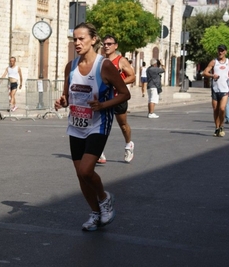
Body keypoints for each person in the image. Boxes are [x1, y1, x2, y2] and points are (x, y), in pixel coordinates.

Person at [54, 22, 130, 231]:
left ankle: (105, 198)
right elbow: (67, 96)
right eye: (74, 39)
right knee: (80, 174)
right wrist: (61, 102)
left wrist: (103, 105)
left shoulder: (104, 65)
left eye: (81, 39)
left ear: (93, 40)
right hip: (76, 124)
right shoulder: (70, 66)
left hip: (98, 123)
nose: (77, 43)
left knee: (87, 171)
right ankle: (95, 213)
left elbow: (125, 93)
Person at [97, 34, 135, 164]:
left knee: (123, 125)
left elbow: (132, 77)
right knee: (99, 125)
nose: (106, 46)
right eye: (105, 44)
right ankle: (99, 152)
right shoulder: (101, 60)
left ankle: (129, 144)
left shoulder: (121, 60)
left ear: (115, 46)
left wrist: (119, 82)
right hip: (105, 98)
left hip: (118, 98)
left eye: (109, 44)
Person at [203, 44, 229, 137]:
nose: (220, 52)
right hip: (215, 89)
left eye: (222, 50)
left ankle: (222, 126)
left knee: (222, 108)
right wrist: (212, 76)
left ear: (225, 52)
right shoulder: (213, 62)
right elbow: (204, 72)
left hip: (225, 89)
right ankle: (217, 128)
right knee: (216, 109)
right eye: (219, 50)